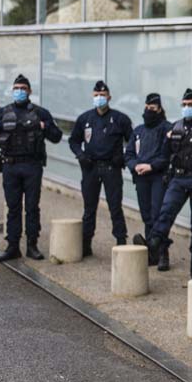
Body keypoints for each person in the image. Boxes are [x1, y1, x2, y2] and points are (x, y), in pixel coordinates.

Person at [136, 88, 192, 279]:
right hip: (178, 178)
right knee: (165, 213)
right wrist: (167, 142)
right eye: (184, 105)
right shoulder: (174, 128)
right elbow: (164, 154)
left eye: (191, 105)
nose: (187, 108)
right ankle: (153, 245)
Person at [0, 74, 63, 261]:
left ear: (29, 91)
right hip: (10, 166)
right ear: (12, 90)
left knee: (32, 207)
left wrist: (43, 126)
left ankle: (32, 246)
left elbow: (57, 136)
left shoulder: (40, 113)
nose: (19, 91)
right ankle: (12, 246)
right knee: (13, 207)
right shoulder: (4, 112)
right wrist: (1, 125)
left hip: (32, 166)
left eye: (23, 88)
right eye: (16, 88)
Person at [69, 80, 132, 257]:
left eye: (102, 95)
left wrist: (124, 157)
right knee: (89, 208)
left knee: (115, 207)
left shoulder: (120, 119)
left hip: (112, 168)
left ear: (109, 97)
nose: (99, 98)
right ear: (92, 96)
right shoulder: (85, 119)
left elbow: (134, 142)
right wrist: (80, 155)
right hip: (90, 168)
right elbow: (73, 140)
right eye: (96, 95)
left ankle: (121, 242)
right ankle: (86, 244)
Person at [125, 93, 172, 270]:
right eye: (147, 108)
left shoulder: (166, 129)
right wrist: (135, 165)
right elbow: (128, 154)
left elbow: (166, 155)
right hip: (141, 178)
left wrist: (151, 166)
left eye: (153, 108)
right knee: (146, 216)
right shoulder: (138, 131)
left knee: (158, 215)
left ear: (160, 109)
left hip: (158, 177)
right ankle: (151, 253)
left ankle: (162, 254)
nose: (149, 111)